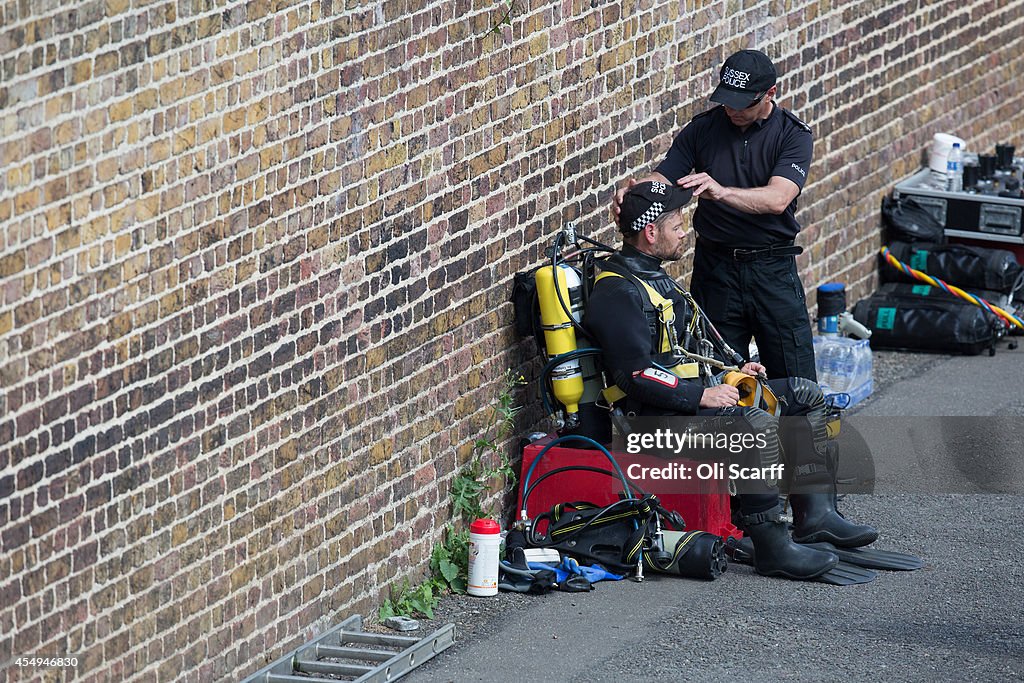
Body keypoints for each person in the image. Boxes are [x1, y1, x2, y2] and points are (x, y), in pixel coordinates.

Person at [586, 181, 877, 582]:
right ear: (651, 232)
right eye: (677, 223)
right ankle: (772, 544)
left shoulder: (658, 280)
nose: (684, 230)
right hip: (645, 425)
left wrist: (731, 372)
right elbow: (635, 374)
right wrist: (701, 395)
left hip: (677, 407)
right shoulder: (618, 291)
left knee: (803, 395)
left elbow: (691, 350)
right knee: (749, 425)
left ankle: (816, 515)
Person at [612, 49, 817, 380]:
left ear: (770, 94)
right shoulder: (703, 129)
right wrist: (633, 190)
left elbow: (779, 198)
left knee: (794, 379)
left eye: (743, 103)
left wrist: (722, 191)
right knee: (712, 374)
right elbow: (665, 176)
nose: (732, 110)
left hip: (772, 270)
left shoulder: (793, 135)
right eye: (727, 101)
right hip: (715, 270)